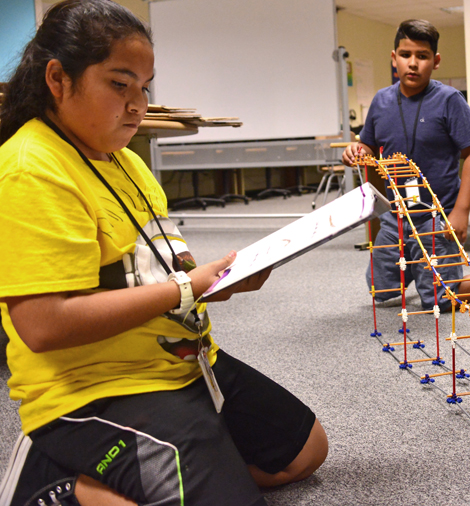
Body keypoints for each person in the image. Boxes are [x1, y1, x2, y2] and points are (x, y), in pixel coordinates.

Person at [0, 1, 327, 505]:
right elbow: (42, 325)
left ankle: (167, 468)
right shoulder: (31, 168)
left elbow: (160, 268)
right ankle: (72, 488)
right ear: (58, 79)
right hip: (95, 388)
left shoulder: (126, 161)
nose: (138, 104)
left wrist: (216, 282)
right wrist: (186, 288)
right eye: (119, 84)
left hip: (182, 362)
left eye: (145, 87)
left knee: (304, 453)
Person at [341, 19, 470, 311]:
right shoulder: (381, 101)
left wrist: (461, 211)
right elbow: (368, 145)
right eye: (406, 55)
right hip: (396, 215)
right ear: (393, 58)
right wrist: (357, 149)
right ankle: (422, 266)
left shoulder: (449, 100)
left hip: (437, 213)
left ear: (435, 61)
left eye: (422, 56)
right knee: (380, 291)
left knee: (442, 300)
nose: (413, 63)